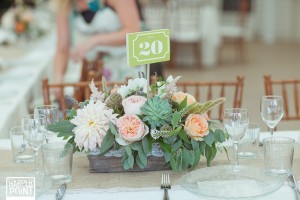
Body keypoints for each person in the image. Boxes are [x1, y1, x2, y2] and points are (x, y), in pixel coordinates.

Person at [51, 0, 145, 85]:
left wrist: (94, 41)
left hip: (126, 68)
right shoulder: (64, 4)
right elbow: (62, 48)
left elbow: (133, 31)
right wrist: (58, 77)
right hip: (94, 73)